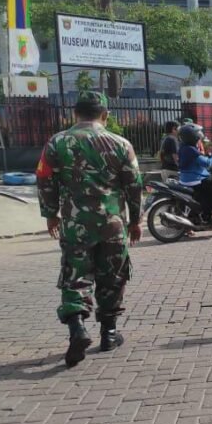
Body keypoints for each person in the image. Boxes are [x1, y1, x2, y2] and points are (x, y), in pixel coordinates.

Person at [35, 91, 142, 368]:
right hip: (112, 223)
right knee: (113, 276)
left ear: (74, 114)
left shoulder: (57, 142)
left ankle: (77, 328)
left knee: (75, 275)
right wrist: (135, 220)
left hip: (75, 224)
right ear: (105, 115)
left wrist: (50, 215)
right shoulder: (121, 144)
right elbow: (134, 185)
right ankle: (109, 333)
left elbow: (44, 179)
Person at [177, 123, 212, 223]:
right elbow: (207, 163)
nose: (200, 138)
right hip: (195, 181)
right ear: (193, 136)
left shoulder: (183, 147)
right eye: (198, 135)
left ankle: (205, 214)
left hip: (184, 180)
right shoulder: (191, 150)